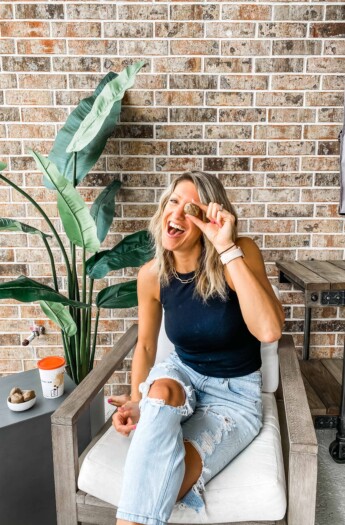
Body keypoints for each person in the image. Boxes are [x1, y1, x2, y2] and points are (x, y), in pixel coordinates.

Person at [109, 170, 285, 525]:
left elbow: (268, 330)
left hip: (234, 396)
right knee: (159, 391)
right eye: (173, 202)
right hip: (181, 372)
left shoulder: (240, 252)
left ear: (208, 218)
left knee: (168, 477)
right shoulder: (152, 275)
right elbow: (145, 346)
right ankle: (154, 409)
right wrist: (136, 399)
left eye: (191, 208)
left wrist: (225, 245)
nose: (176, 213)